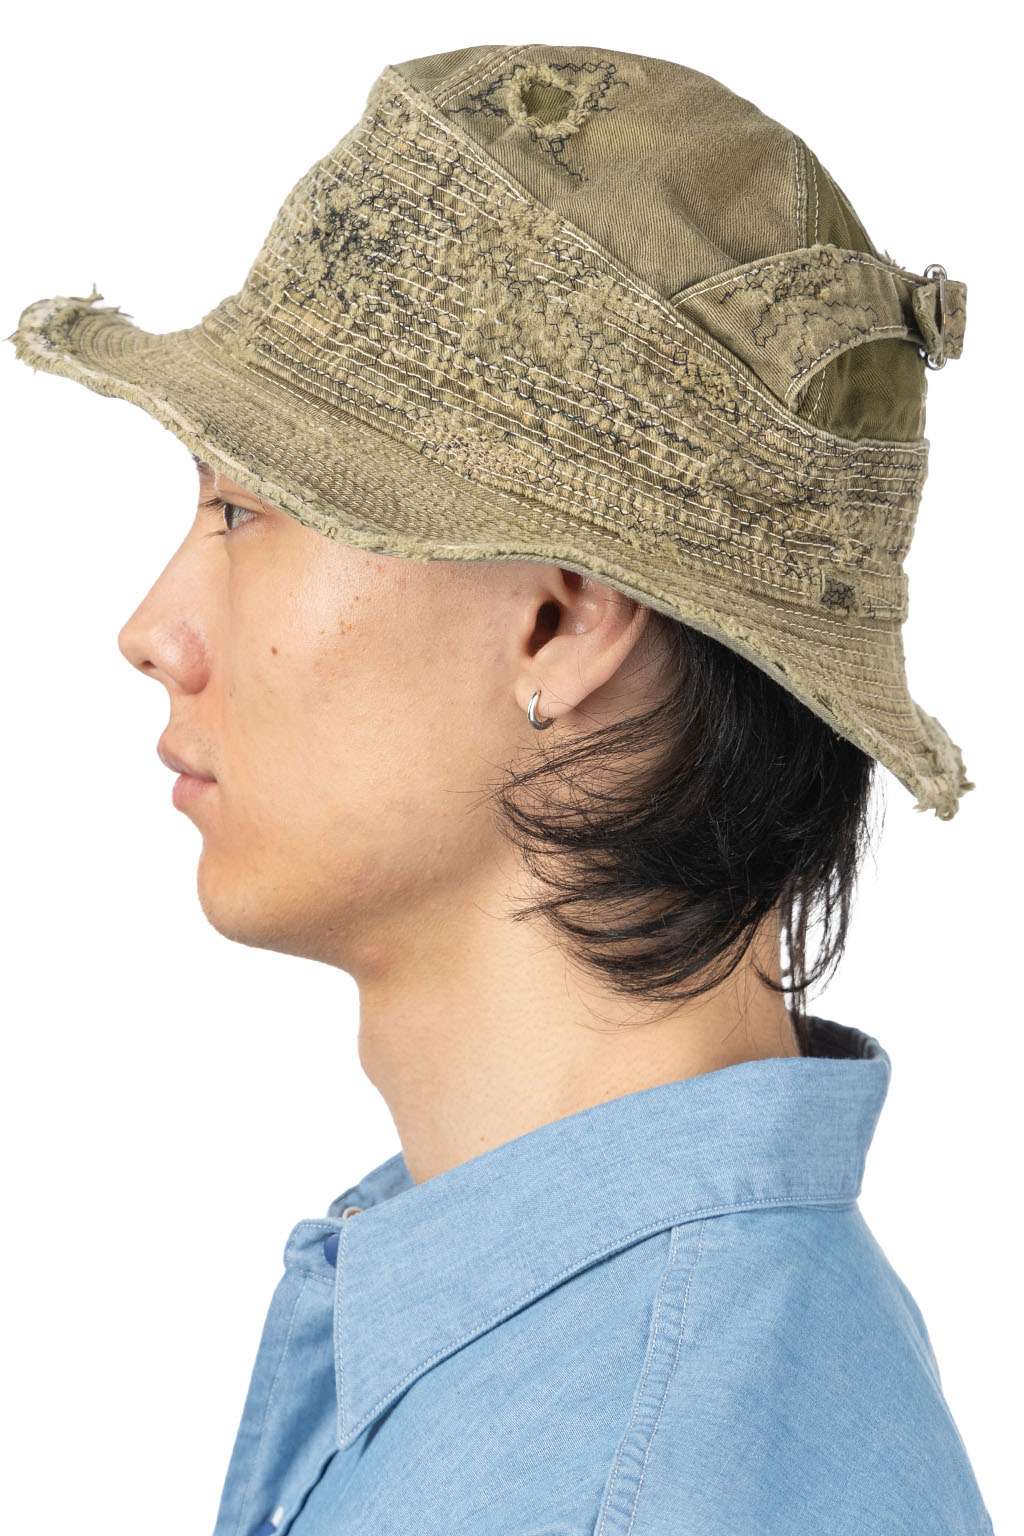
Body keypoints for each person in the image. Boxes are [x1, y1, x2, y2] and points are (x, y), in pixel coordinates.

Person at [8, 42, 993, 1536]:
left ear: (562, 618)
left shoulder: (626, 1481)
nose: (153, 630)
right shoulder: (607, 1351)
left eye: (245, 509)